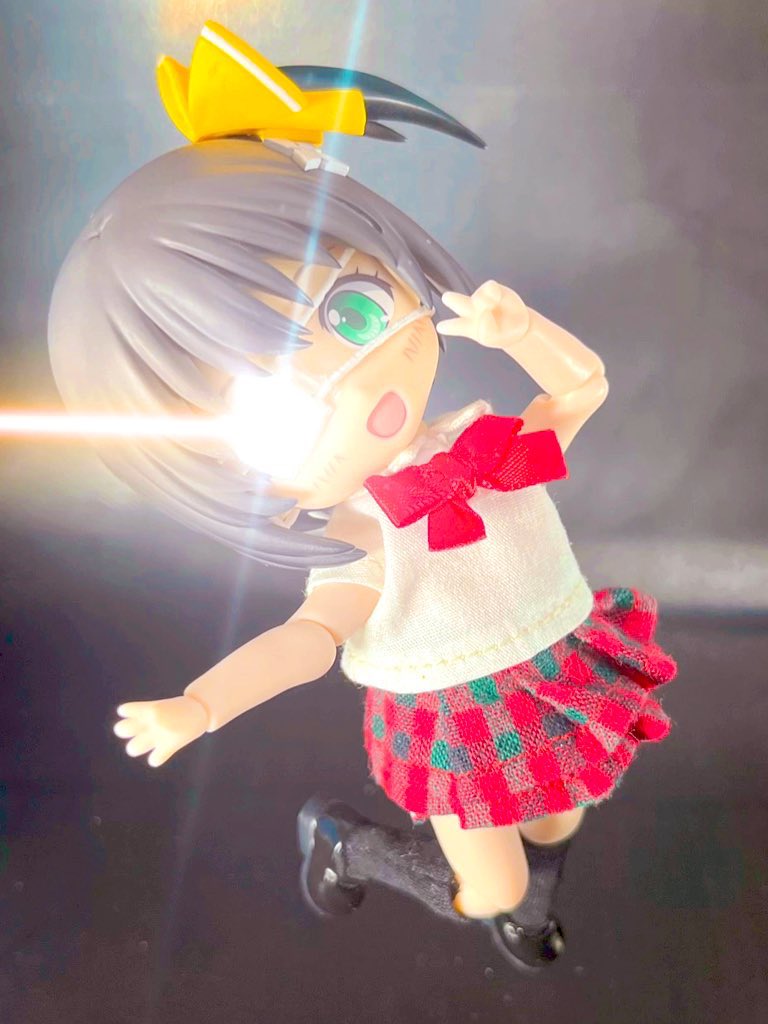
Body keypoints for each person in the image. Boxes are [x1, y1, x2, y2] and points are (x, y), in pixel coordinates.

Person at [48, 23, 676, 968]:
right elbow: (307, 642)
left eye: (355, 309)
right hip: (458, 721)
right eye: (276, 411)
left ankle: (533, 900)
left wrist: (520, 331)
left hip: (549, 665)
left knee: (559, 817)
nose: (361, 386)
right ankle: (354, 847)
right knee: (490, 886)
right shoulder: (362, 536)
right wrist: (202, 705)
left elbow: (582, 388)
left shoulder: (480, 448)